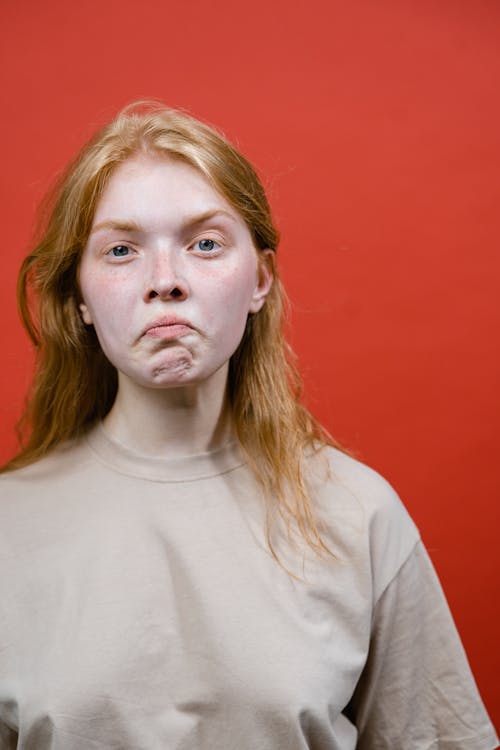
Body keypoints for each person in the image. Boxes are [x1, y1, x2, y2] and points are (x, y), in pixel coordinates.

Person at [0, 102, 497, 750]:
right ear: (80, 298)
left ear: (260, 278)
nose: (165, 282)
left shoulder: (359, 515)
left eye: (204, 243)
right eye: (121, 250)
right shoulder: (10, 524)